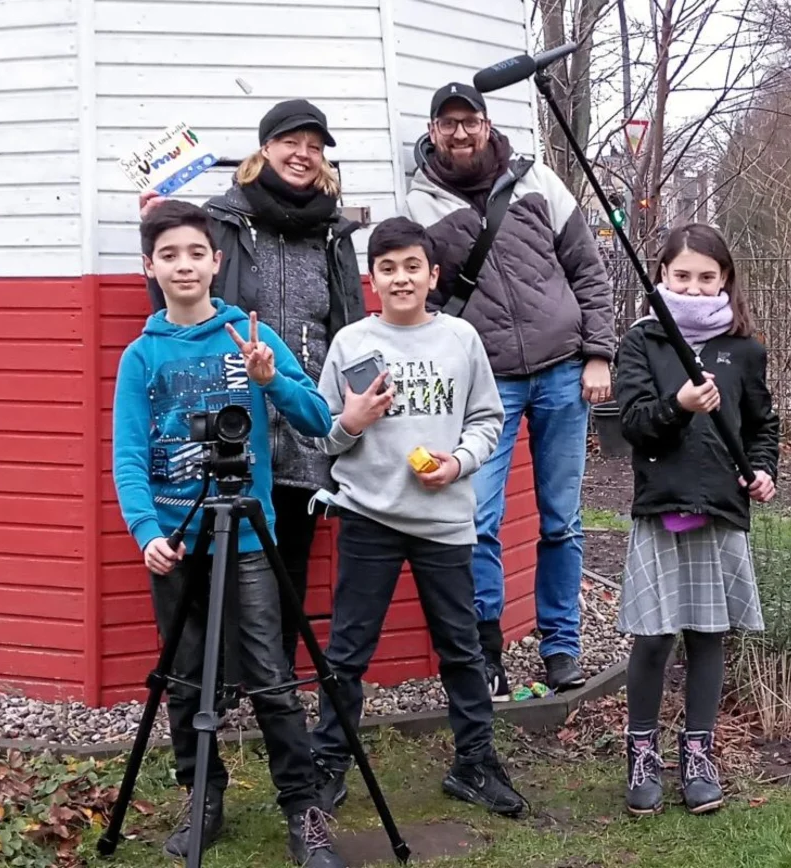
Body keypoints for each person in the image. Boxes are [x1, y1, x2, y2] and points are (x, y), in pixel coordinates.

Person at [113, 199, 346, 867]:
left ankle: (303, 811)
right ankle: (203, 797)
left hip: (246, 538)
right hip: (177, 539)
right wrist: (144, 530)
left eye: (195, 253)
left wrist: (271, 382)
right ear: (150, 268)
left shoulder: (251, 336)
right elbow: (128, 453)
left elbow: (316, 419)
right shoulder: (142, 356)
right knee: (187, 680)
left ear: (216, 262)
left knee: (272, 676)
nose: (183, 265)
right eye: (169, 255)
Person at [307, 216, 528, 818]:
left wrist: (457, 464)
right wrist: (352, 422)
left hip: (445, 521)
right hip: (368, 516)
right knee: (349, 650)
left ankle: (474, 762)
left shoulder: (460, 338)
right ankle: (329, 763)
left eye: (412, 266)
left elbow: (489, 419)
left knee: (460, 647)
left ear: (433, 274)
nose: (401, 278)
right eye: (387, 268)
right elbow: (323, 435)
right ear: (371, 279)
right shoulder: (351, 343)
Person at [404, 82, 617, 699]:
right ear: (434, 131)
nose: (461, 133)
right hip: (486, 384)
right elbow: (428, 303)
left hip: (562, 372)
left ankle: (560, 646)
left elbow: (587, 270)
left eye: (469, 121)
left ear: (487, 122)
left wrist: (598, 352)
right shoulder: (420, 205)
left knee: (562, 521)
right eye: (448, 124)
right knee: (480, 519)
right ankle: (486, 651)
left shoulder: (538, 182)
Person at [140, 99, 364, 676]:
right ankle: (224, 686)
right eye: (292, 142)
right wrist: (156, 220)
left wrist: (350, 404)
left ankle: (274, 684)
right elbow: (183, 298)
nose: (303, 155)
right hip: (234, 411)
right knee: (221, 558)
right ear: (265, 148)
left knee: (287, 559)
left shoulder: (335, 231)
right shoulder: (223, 218)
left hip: (303, 409)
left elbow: (349, 322)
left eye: (315, 147)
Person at [611, 223, 780, 816]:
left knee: (710, 635)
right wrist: (679, 407)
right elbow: (631, 423)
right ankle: (641, 751)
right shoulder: (642, 342)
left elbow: (761, 425)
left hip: (721, 510)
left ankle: (698, 754)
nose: (694, 286)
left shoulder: (744, 348)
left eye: (708, 277)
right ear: (661, 276)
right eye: (681, 275)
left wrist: (762, 469)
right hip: (662, 505)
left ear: (725, 280)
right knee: (655, 636)